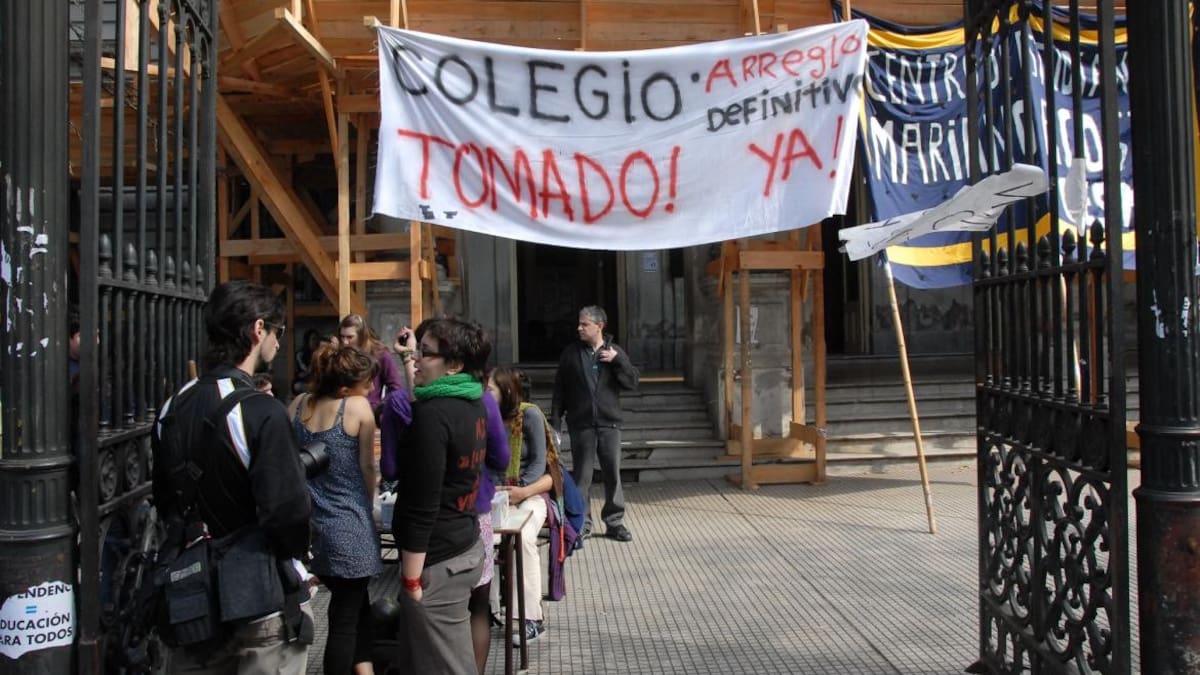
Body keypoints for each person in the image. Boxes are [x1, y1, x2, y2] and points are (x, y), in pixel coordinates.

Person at [151, 280, 313, 673]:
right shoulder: (263, 410)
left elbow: (164, 498)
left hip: (192, 598)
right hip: (257, 594)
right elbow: (287, 511)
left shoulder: (173, 405)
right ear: (259, 330)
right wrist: (299, 559)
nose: (278, 341)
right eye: (278, 331)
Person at [387, 317, 491, 675]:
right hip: (464, 544)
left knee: (448, 665)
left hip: (437, 558)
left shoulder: (434, 416)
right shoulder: (470, 402)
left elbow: (421, 502)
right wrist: (406, 362)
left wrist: (411, 580)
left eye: (425, 353)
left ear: (455, 364)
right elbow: (424, 408)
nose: (416, 359)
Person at [288, 344, 381, 675]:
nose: (371, 390)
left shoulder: (298, 405)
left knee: (356, 609)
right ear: (346, 388)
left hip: (311, 527)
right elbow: (368, 468)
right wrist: (369, 505)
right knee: (343, 620)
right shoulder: (356, 408)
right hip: (349, 525)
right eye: (367, 383)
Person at [551, 305, 639, 542]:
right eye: (579, 324)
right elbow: (559, 389)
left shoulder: (614, 352)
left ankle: (614, 522)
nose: (579, 328)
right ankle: (582, 523)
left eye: (584, 324)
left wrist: (618, 360)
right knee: (582, 477)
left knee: (613, 474)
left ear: (599, 326)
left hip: (610, 425)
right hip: (582, 425)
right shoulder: (571, 353)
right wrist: (556, 422)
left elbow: (632, 382)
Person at [488, 366, 553, 645]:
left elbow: (540, 463)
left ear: (507, 391)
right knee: (482, 537)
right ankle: (488, 610)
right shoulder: (486, 417)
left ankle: (531, 619)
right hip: (494, 494)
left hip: (530, 494)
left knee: (523, 538)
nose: (485, 394)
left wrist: (519, 490)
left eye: (490, 389)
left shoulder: (530, 415)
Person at [339, 313, 404, 415]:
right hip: (343, 412)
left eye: (350, 337)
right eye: (342, 337)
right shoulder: (341, 354)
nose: (345, 342)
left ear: (361, 336)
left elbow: (396, 387)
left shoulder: (380, 354)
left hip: (370, 412)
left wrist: (380, 408)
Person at [293, 328, 322, 394]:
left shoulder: (320, 353)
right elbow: (305, 371)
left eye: (317, 339)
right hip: (304, 382)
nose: (316, 342)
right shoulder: (300, 354)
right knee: (297, 386)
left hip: (316, 382)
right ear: (307, 341)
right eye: (313, 339)